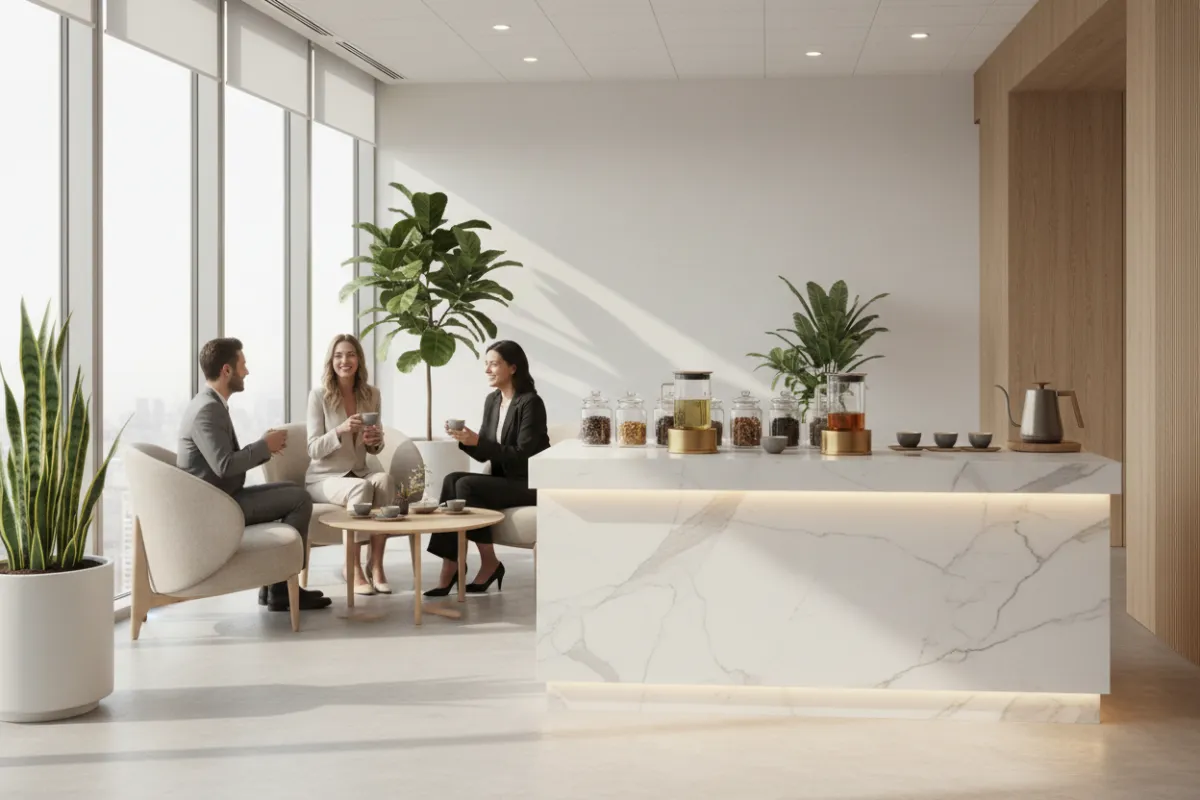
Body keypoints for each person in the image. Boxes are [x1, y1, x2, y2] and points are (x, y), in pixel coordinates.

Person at [177, 337, 331, 612]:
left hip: (223, 497)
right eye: (242, 365)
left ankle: (274, 585)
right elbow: (224, 465)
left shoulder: (209, 403)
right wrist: (263, 448)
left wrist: (263, 446)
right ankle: (282, 588)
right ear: (227, 370)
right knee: (299, 499)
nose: (246, 371)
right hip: (218, 506)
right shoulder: (207, 410)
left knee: (292, 492)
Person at [425, 340, 550, 597]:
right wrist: (466, 440)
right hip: (503, 480)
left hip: (529, 483)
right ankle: (451, 563)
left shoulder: (530, 403)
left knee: (466, 485)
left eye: (494, 364)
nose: (487, 370)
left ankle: (485, 563)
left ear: (513, 368)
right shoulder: (492, 401)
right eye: (486, 364)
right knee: (452, 480)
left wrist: (479, 442)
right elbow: (486, 451)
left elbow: (523, 454)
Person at [305, 334, 394, 595]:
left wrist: (375, 440)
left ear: (359, 359)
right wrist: (341, 430)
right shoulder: (319, 396)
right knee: (359, 489)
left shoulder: (372, 394)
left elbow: (373, 448)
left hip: (359, 471)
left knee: (385, 481)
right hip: (323, 479)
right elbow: (312, 448)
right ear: (331, 361)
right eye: (339, 355)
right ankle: (351, 567)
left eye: (351, 354)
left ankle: (376, 566)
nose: (345, 360)